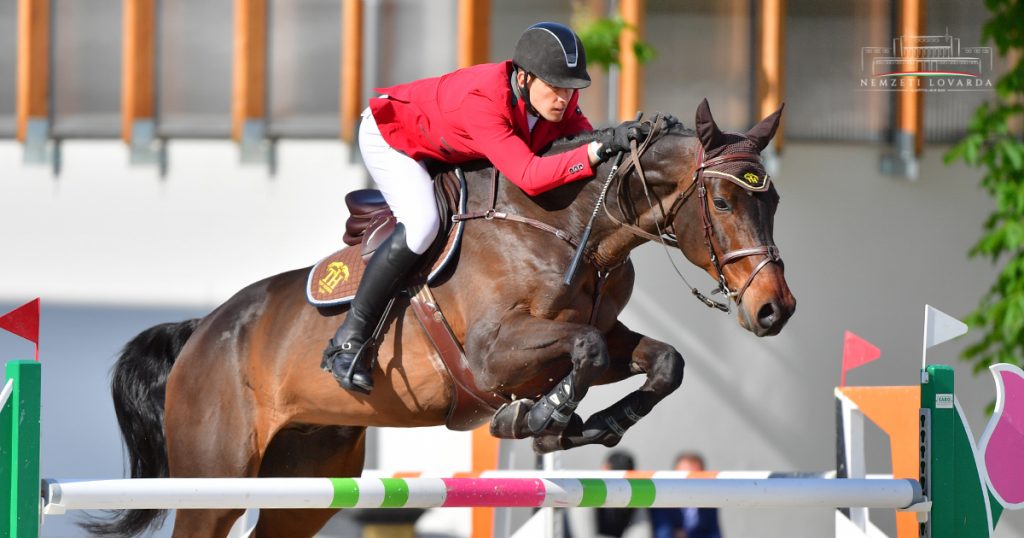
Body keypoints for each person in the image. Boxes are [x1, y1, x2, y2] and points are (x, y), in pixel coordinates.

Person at [323, 21, 649, 394]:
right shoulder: (483, 101)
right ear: (524, 79)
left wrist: (616, 140)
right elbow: (530, 173)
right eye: (555, 87)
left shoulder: (558, 100)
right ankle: (349, 339)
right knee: (423, 223)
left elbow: (582, 143)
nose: (564, 98)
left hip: (448, 143)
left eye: (571, 88)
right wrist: (595, 151)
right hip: (393, 138)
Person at [650, 452, 723, 538]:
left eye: (695, 477)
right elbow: (663, 533)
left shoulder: (709, 502)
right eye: (683, 477)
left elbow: (715, 534)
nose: (689, 483)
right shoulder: (662, 502)